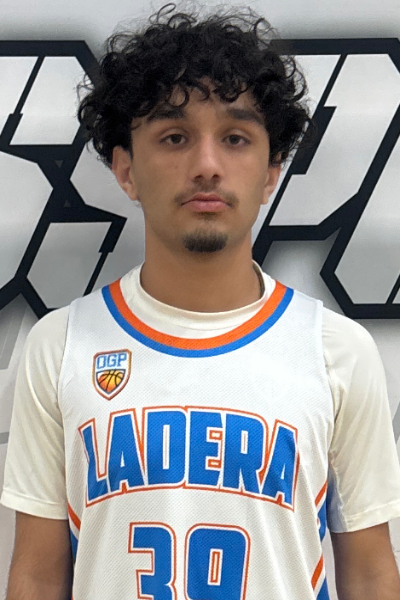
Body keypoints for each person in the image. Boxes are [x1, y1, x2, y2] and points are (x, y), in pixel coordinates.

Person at [2, 4, 400, 599]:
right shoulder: (60, 347)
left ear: (271, 170)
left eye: (235, 138)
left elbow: (369, 573)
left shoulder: (336, 351)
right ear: (126, 169)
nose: (207, 166)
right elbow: (36, 575)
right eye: (175, 137)